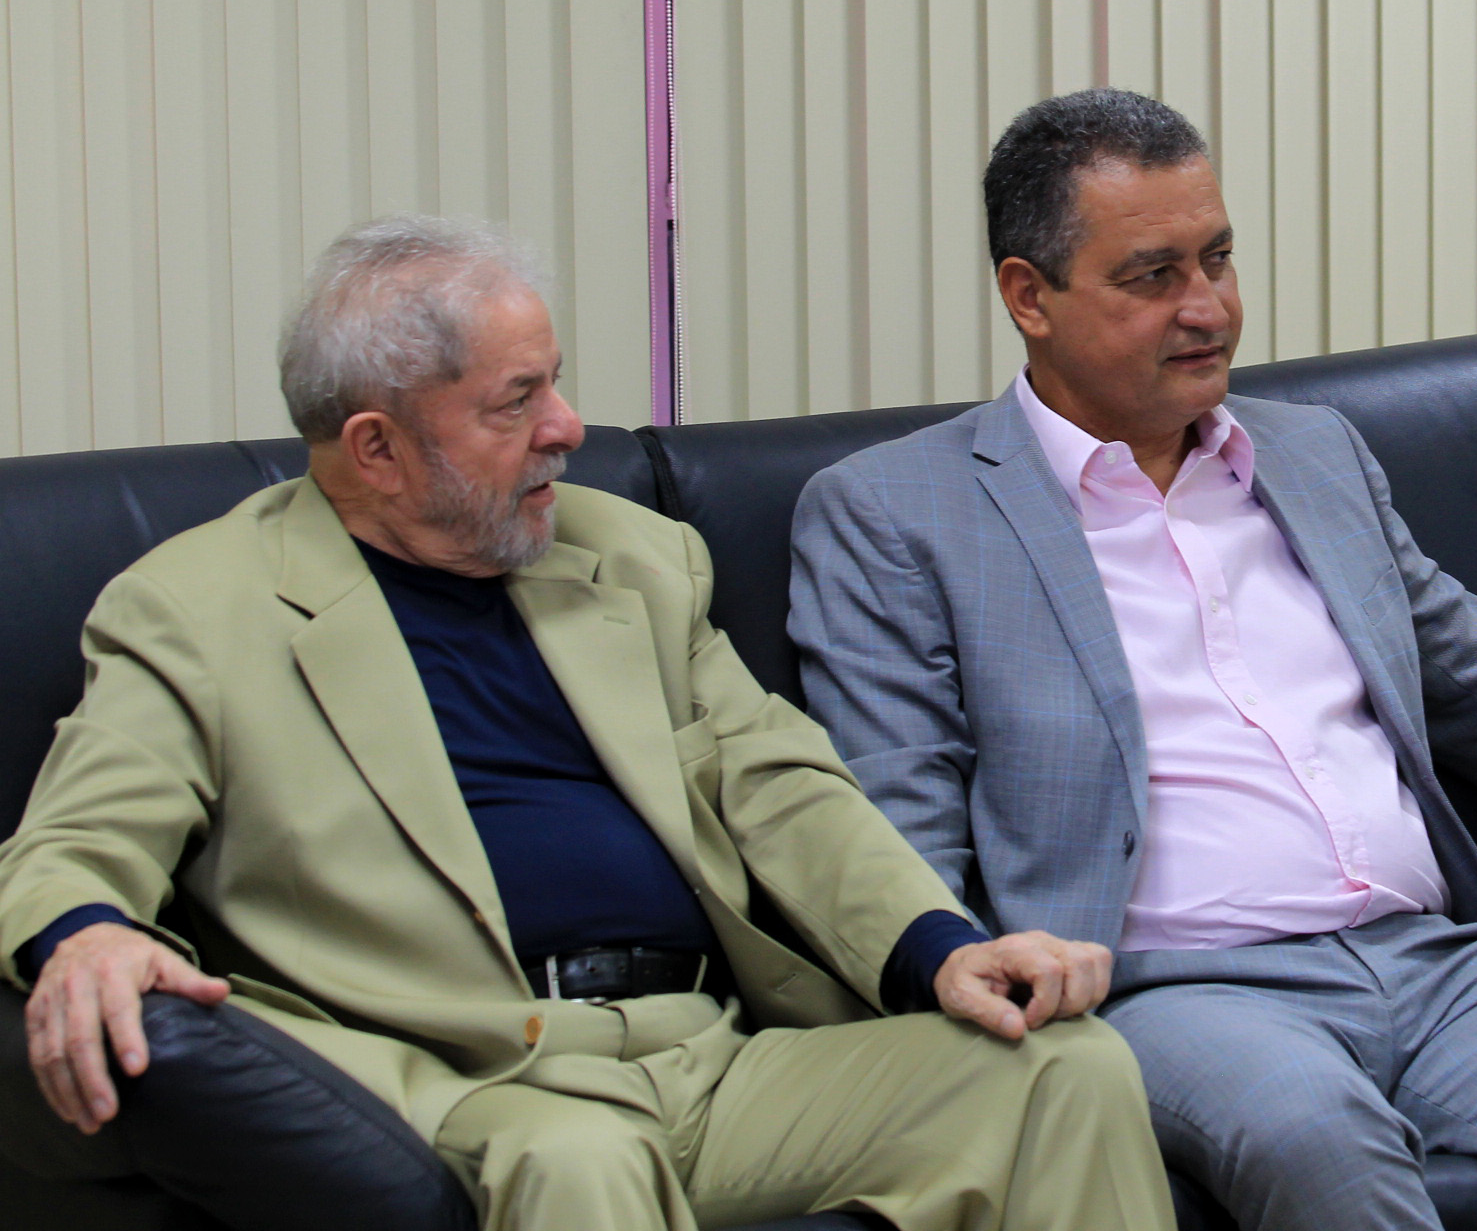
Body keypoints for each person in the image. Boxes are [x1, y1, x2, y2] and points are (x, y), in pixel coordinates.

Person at [789, 88, 1477, 1231]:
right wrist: (968, 969)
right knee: (1316, 1143)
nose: (1208, 308)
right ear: (1029, 296)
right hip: (1179, 992)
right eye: (1152, 276)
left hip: (1440, 968)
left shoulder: (1313, 457)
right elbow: (893, 826)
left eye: (1218, 260)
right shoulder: (896, 514)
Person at [0, 217, 1174, 1231]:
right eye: (517, 402)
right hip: (474, 1078)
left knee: (1062, 1071)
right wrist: (85, 935)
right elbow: (73, 843)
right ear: (378, 449)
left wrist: (942, 950)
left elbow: (780, 786)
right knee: (580, 1161)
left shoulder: (633, 559)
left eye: (554, 382)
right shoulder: (199, 609)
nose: (567, 425)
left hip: (706, 1057)